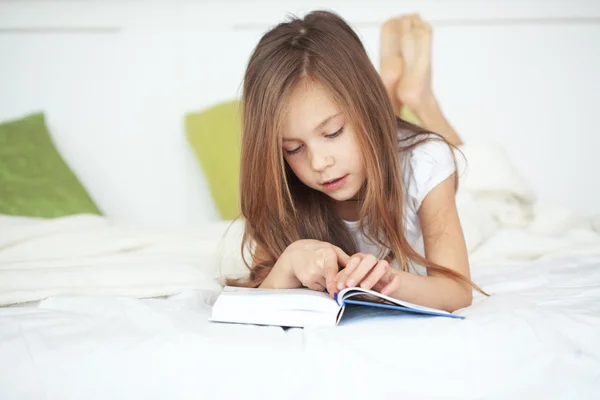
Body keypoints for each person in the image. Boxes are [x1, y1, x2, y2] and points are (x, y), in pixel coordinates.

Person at [228, 10, 485, 312]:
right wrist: (287, 263)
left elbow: (457, 290)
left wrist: (389, 283)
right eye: (294, 148)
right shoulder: (284, 183)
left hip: (430, 176)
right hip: (377, 136)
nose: (319, 162)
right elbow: (257, 291)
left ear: (365, 109)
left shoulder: (424, 160)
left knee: (486, 181)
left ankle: (419, 98)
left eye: (333, 132)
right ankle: (388, 85)